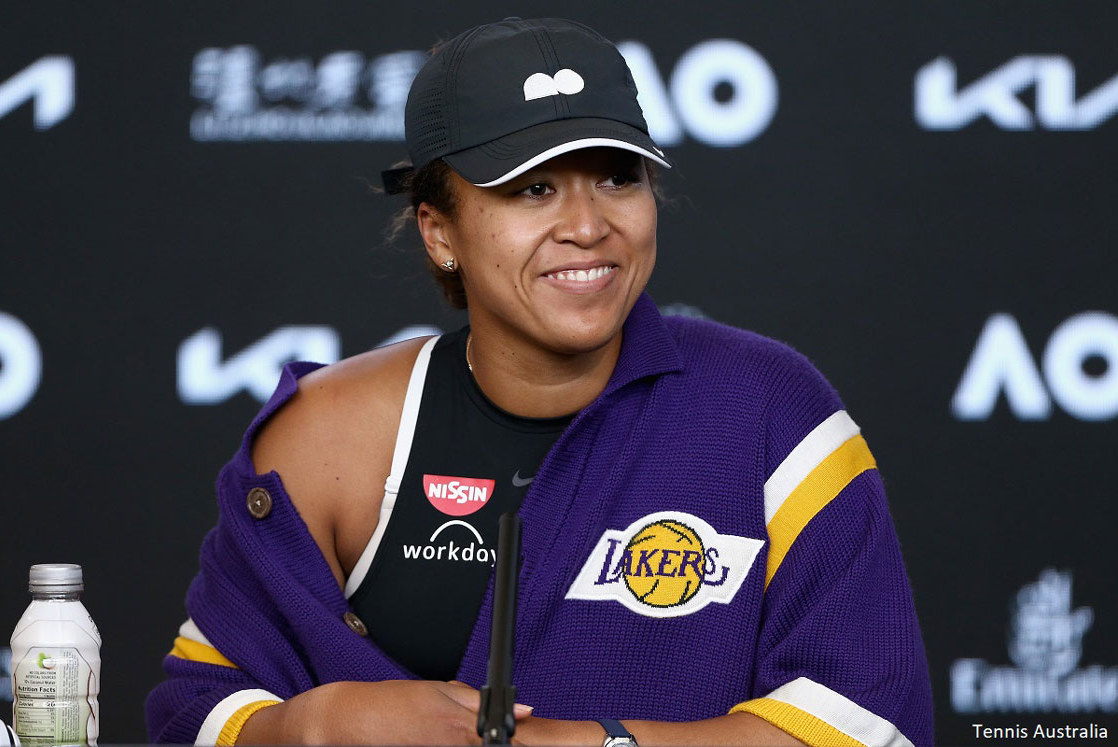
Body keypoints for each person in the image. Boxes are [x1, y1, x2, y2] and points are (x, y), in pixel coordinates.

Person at [146, 17, 933, 747]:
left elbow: (868, 717)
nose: (588, 225)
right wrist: (314, 724)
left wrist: (592, 742)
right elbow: (197, 706)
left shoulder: (769, 408)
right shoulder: (330, 431)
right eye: (532, 189)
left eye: (618, 178)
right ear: (439, 230)